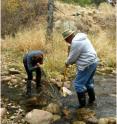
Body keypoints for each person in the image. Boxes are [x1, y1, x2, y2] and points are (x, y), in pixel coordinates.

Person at [62, 30, 99, 108]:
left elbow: (72, 58)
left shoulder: (76, 42)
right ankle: (92, 100)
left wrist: (67, 62)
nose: (66, 41)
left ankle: (82, 106)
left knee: (78, 84)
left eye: (65, 39)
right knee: (88, 82)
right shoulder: (81, 38)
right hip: (94, 62)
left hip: (87, 64)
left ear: (69, 37)